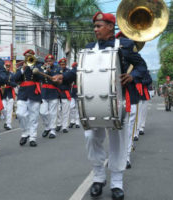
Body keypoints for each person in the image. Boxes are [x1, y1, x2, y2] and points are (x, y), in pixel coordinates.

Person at [54, 12, 147, 200]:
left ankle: (117, 183)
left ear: (110, 27)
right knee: (91, 137)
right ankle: (98, 178)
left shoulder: (126, 46)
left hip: (118, 102)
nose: (95, 29)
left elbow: (141, 67)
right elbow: (77, 70)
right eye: (95, 26)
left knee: (118, 143)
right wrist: (64, 77)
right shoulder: (89, 48)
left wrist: (132, 76)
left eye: (99, 26)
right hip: (93, 103)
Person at [12, 49, 43, 147]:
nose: (28, 58)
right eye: (27, 56)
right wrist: (22, 69)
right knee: (20, 113)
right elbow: (15, 79)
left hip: (34, 92)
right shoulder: (21, 68)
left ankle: (32, 138)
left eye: (30, 56)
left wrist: (34, 67)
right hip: (23, 93)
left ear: (33, 57)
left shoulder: (38, 66)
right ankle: (25, 133)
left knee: (33, 117)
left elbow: (42, 77)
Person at [40, 54, 61, 138]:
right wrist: (44, 69)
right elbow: (39, 76)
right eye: (47, 61)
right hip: (44, 92)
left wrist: (49, 71)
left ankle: (52, 130)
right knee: (43, 112)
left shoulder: (57, 69)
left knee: (53, 113)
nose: (49, 62)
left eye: (50, 61)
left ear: (53, 61)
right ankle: (47, 126)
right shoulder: (42, 68)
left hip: (53, 92)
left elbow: (56, 78)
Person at [55, 58, 72, 133]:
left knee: (65, 110)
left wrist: (61, 78)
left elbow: (69, 79)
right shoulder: (57, 70)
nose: (62, 66)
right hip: (58, 92)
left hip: (65, 92)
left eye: (64, 64)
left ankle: (65, 126)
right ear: (59, 65)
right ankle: (59, 124)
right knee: (57, 110)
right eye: (61, 64)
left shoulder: (69, 71)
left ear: (65, 64)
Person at [1, 61, 17, 130]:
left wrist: (8, 82)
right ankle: (7, 121)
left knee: (9, 110)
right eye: (6, 66)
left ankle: (8, 124)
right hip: (3, 94)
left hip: (10, 93)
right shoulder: (1, 74)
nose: (7, 67)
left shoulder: (12, 75)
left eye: (8, 66)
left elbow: (15, 84)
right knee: (3, 108)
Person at [69, 62, 81, 129]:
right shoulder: (72, 74)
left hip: (79, 90)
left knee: (78, 108)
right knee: (71, 107)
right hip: (73, 91)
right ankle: (72, 121)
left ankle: (77, 122)